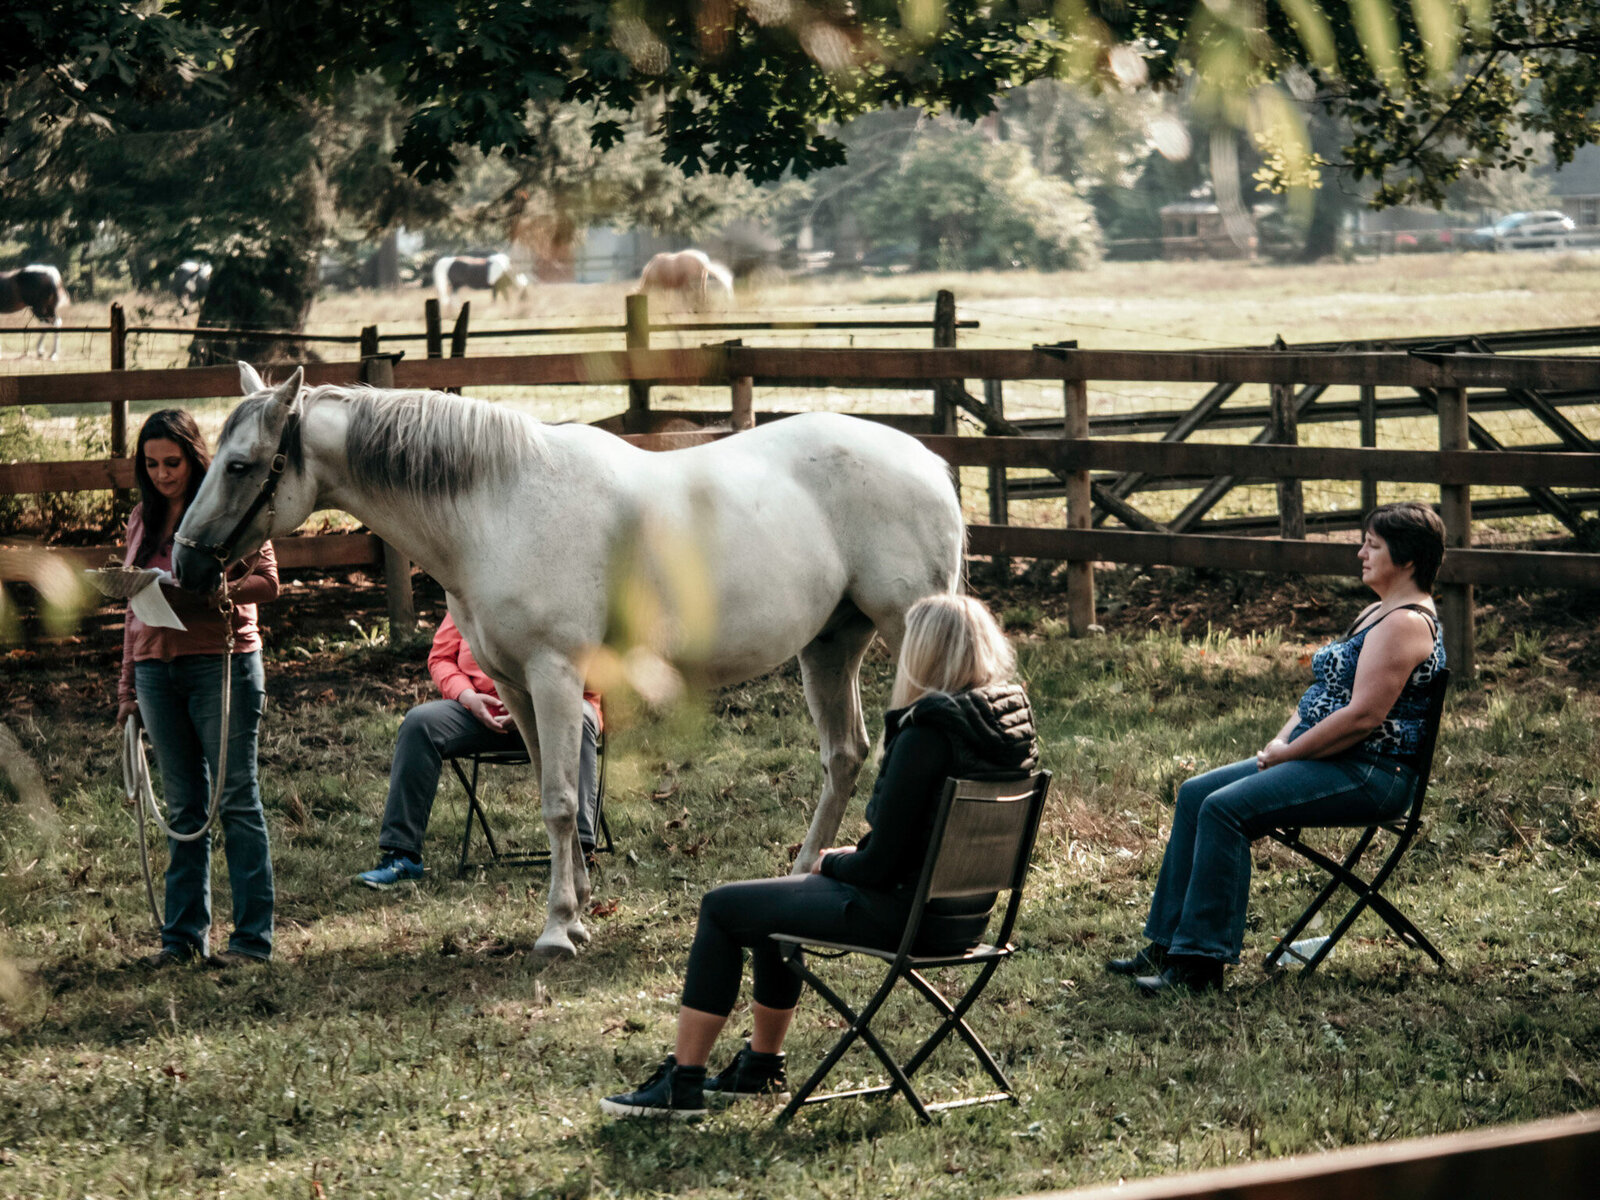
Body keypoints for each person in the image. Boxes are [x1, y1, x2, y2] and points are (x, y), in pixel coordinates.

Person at [600, 593, 1038, 1120]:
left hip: (900, 914)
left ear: (922, 655)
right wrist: (861, 856)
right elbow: (917, 840)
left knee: (723, 907)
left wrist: (831, 862)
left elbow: (878, 868)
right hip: (960, 918)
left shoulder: (929, 732)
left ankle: (684, 1081)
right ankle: (760, 1070)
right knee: (769, 908)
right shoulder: (1006, 728)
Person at [1109, 502, 1447, 995]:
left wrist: (1290, 755)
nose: (1361, 553)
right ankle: (1167, 943)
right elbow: (1321, 695)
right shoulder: (1376, 612)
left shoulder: (1406, 624)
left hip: (1371, 773)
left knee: (1226, 810)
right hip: (1327, 754)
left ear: (1409, 559)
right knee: (1195, 792)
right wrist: (1283, 739)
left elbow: (1362, 717)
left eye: (1373, 546)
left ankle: (1199, 966)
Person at [115, 408, 280, 968]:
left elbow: (268, 582)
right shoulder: (143, 518)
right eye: (152, 463)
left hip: (222, 662)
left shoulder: (226, 503)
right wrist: (128, 689)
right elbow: (135, 613)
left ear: (193, 456)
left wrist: (214, 592)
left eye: (173, 462)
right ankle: (182, 938)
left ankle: (252, 941)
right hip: (158, 670)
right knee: (184, 807)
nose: (163, 474)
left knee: (234, 798)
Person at [356, 613, 604, 887]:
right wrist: (467, 697)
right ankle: (402, 856)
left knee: (578, 717)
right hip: (482, 713)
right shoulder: (471, 592)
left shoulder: (560, 590)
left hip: (554, 711)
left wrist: (531, 706)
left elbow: (595, 669)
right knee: (419, 723)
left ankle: (579, 856)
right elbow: (441, 658)